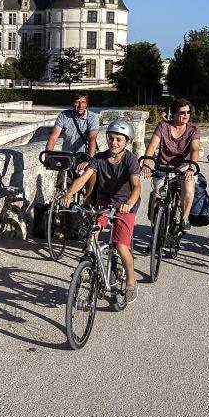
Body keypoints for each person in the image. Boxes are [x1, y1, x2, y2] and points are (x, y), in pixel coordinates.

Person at [61, 121, 141, 304]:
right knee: (92, 234)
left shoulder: (130, 160)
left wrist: (128, 204)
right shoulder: (99, 158)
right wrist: (69, 193)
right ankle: (90, 267)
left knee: (121, 246)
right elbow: (83, 178)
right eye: (111, 138)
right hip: (104, 200)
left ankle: (131, 281)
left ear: (126, 142)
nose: (114, 142)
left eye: (119, 139)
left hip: (125, 204)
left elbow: (136, 187)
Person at [140, 98, 201, 232]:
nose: (186, 115)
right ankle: (155, 235)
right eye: (182, 112)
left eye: (188, 112)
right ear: (173, 113)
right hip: (163, 166)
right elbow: (152, 145)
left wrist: (191, 168)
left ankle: (184, 218)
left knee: (189, 186)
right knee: (156, 198)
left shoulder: (193, 129)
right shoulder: (163, 127)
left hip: (185, 166)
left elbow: (195, 149)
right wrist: (146, 163)